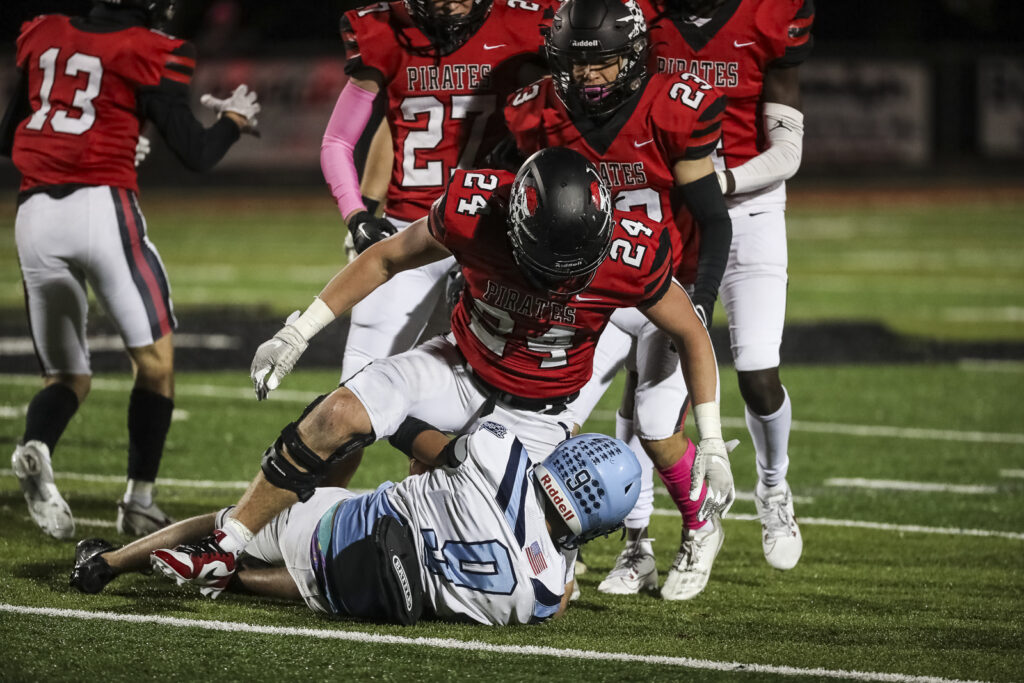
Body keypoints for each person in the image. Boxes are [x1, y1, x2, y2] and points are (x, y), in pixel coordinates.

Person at [148, 148, 734, 595]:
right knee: (339, 412)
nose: (559, 283)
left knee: (544, 585)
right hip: (457, 367)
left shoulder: (631, 250)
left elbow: (690, 331)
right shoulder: (476, 211)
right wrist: (298, 331)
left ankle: (365, 525)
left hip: (541, 416)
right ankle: (228, 542)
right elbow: (384, 256)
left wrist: (710, 438)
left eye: (573, 270)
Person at [1, 0, 260, 539]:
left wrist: (108, 130)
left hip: (32, 217)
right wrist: (234, 122)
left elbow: (9, 137)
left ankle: (37, 447)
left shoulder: (43, 31)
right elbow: (197, 153)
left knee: (67, 375)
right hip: (100, 210)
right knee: (157, 362)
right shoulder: (151, 49)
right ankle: (139, 499)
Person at [501, 0, 733, 600]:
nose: (591, 77)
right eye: (579, 64)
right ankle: (625, 545)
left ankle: (701, 523)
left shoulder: (672, 108)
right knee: (552, 421)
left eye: (604, 62)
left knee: (655, 427)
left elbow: (713, 220)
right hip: (592, 291)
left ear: (632, 55)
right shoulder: (537, 113)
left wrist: (701, 300)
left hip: (664, 289)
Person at [71, 423, 642, 625]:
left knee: (227, 521)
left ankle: (107, 562)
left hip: (340, 526)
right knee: (346, 573)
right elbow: (560, 585)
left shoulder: (503, 455)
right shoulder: (542, 596)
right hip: (371, 594)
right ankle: (236, 579)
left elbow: (416, 437)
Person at [320, 0, 556, 485]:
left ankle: (439, 520)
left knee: (476, 399)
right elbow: (339, 141)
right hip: (412, 235)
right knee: (352, 396)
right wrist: (360, 214)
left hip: (492, 237)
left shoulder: (525, 25)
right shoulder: (385, 32)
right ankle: (309, 526)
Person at [639, 0, 814, 571]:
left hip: (753, 212)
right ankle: (635, 536)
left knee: (759, 375)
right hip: (676, 217)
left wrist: (724, 181)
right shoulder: (643, 18)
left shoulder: (769, 15)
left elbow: (788, 150)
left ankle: (774, 487)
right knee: (646, 377)